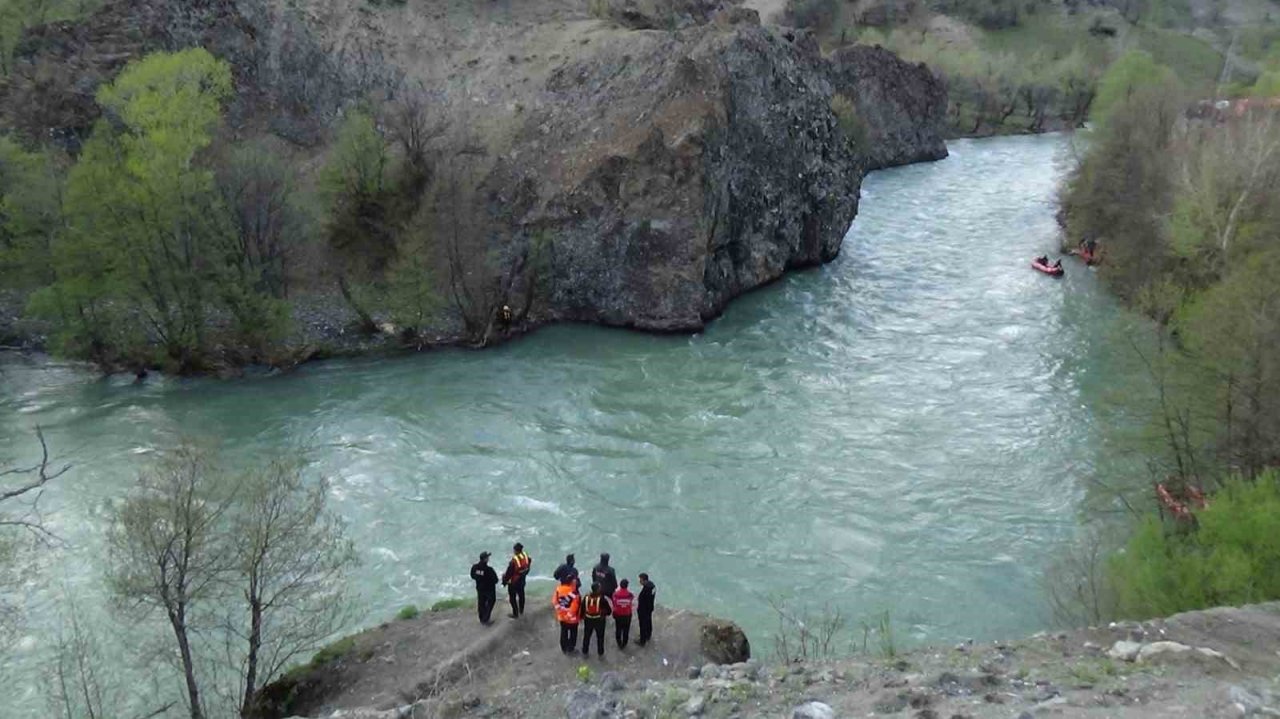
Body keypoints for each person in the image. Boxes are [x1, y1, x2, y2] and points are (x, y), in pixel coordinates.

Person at [581, 582, 611, 657]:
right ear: (598, 589)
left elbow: (582, 609)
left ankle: (585, 651)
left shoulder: (586, 597)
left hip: (588, 620)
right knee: (600, 637)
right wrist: (603, 614)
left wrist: (583, 617)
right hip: (599, 621)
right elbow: (609, 611)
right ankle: (600, 653)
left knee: (587, 636)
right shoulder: (602, 599)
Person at [502, 542, 532, 618]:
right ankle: (521, 610)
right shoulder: (525, 556)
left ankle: (515, 613)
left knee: (512, 598)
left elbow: (509, 573)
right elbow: (529, 562)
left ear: (515, 550)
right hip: (522, 579)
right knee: (521, 595)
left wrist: (504, 582)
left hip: (514, 582)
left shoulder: (513, 561)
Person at [553, 574, 581, 654]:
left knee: (563, 632)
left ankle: (564, 647)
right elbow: (574, 608)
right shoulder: (575, 594)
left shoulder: (559, 589)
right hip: (572, 619)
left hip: (561, 617)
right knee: (573, 633)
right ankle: (571, 648)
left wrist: (560, 611)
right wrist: (568, 616)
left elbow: (555, 601)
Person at [469, 552, 499, 625]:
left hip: (480, 588)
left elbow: (472, 576)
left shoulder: (474, 567)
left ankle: (481, 618)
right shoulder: (489, 570)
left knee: (481, 603)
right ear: (485, 559)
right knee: (491, 602)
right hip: (489, 589)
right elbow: (495, 580)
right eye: (487, 557)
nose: (488, 559)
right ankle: (486, 618)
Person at [612, 578, 635, 649]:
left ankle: (619, 642)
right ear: (627, 586)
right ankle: (624, 642)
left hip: (618, 615)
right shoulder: (630, 595)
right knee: (626, 629)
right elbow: (631, 601)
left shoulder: (615, 594)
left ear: (620, 585)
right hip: (627, 615)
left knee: (618, 628)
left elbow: (614, 603)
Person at [636, 572, 656, 646]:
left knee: (642, 624)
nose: (639, 581)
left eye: (640, 580)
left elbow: (643, 599)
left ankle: (642, 640)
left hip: (643, 610)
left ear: (645, 580)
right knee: (648, 621)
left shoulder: (646, 589)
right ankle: (648, 634)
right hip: (650, 608)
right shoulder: (652, 585)